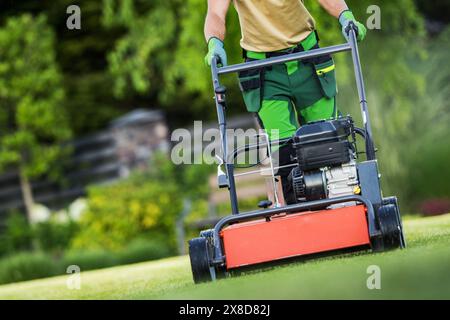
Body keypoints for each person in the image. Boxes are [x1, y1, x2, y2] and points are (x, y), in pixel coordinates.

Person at [204, 0, 366, 203]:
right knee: (285, 154)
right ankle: (301, 218)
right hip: (264, 71)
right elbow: (216, 13)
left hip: (307, 59)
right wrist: (214, 43)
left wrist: (345, 17)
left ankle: (344, 205)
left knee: (327, 142)